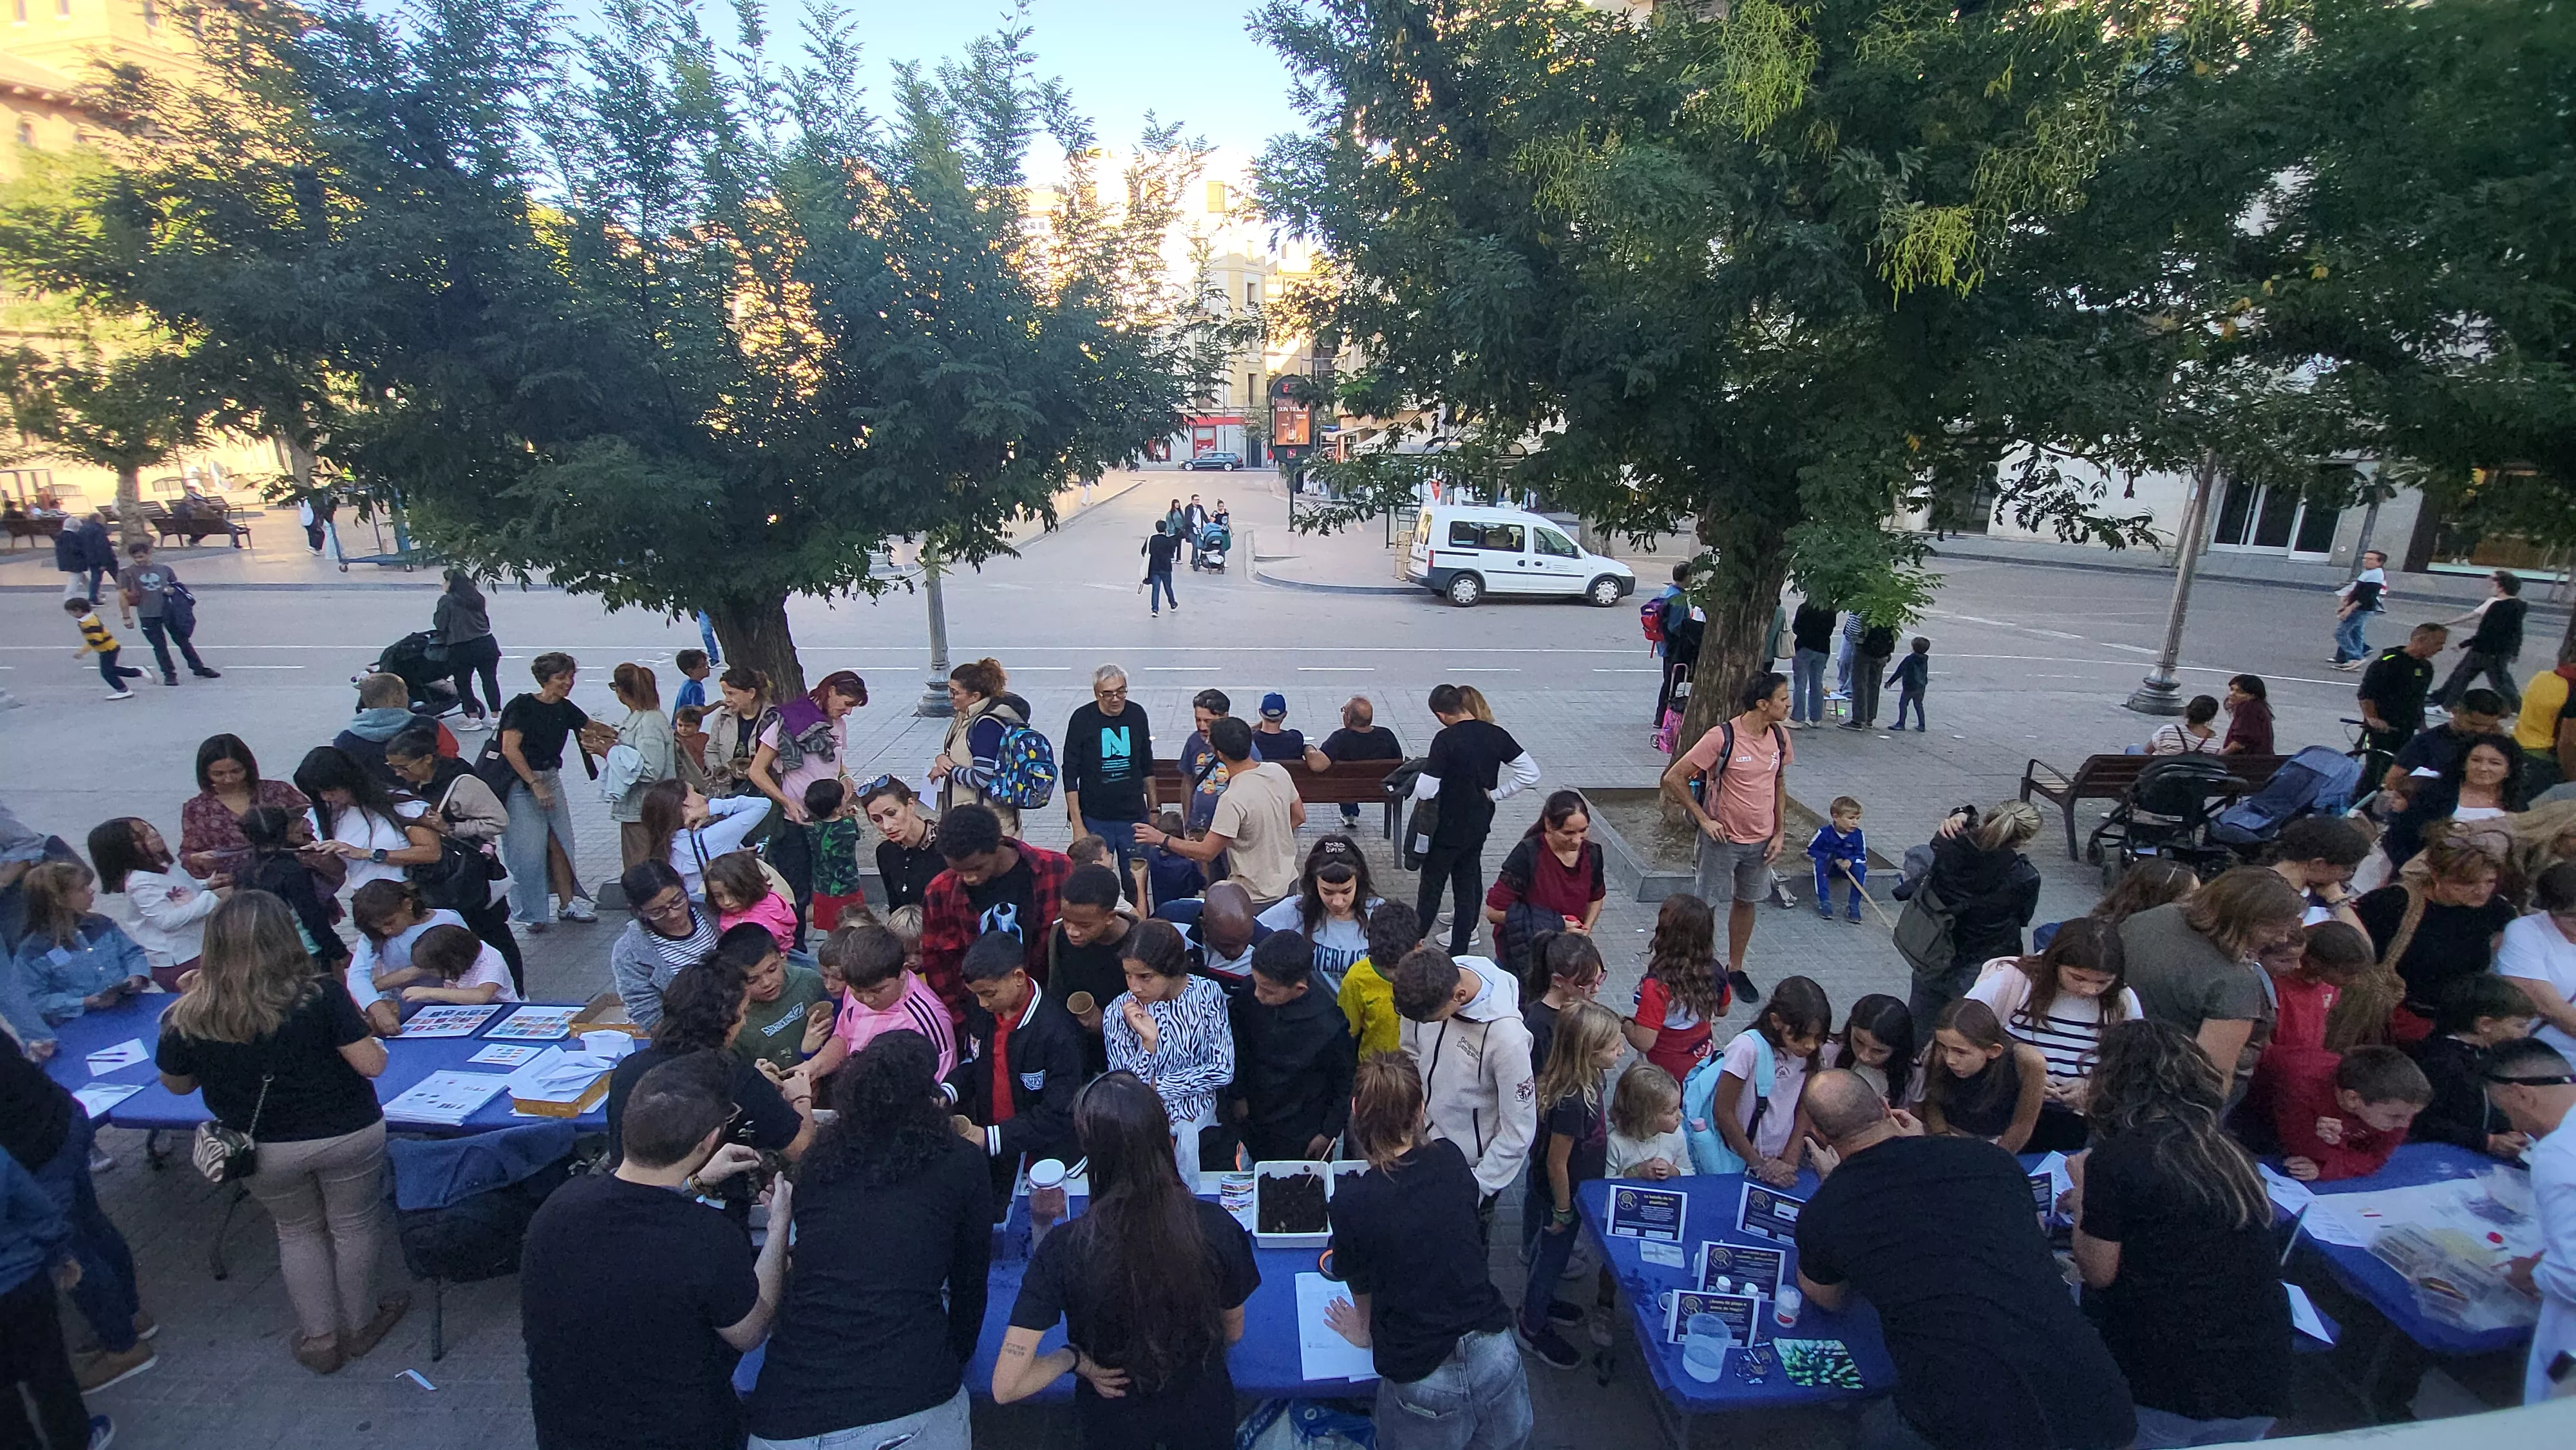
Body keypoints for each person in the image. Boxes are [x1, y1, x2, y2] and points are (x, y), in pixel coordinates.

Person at [1794, 1070, 2136, 1450]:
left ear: (1822, 1137)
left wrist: (1836, 1188)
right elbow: (2029, 1229)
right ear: (1886, 1107)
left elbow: (1826, 1297)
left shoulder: (1830, 1208)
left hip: (1964, 1421)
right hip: (2095, 1404)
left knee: (1873, 1429)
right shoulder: (1992, 1161)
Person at [154, 892, 406, 1375]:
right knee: (353, 1223)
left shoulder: (193, 1011)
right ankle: (361, 1322)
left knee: (296, 1231)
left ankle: (320, 1338)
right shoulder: (321, 996)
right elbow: (371, 1065)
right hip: (344, 1131)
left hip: (260, 1144)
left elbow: (177, 1086)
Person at [521, 1052, 791, 1450]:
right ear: (710, 1142)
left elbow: (637, 1232)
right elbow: (750, 1331)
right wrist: (779, 1227)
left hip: (568, 1432)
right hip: (681, 1433)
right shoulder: (705, 1235)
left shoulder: (557, 1209)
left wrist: (693, 1183)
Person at [742, 1033, 989, 1450]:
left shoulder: (819, 1165)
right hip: (907, 1405)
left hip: (784, 1417)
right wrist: (953, 1358)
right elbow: (970, 1284)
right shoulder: (960, 1163)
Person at [994, 1073, 1260, 1447]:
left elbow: (1007, 1385)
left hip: (1114, 1420)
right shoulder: (1215, 1227)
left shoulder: (1062, 1249)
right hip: (1200, 1412)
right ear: (1163, 1139)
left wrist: (1074, 1359)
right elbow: (1233, 1332)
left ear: (1092, 1154)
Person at [2072, 1020, 2293, 1447]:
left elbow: (2097, 1271)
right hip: (2260, 1376)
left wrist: (2083, 1192)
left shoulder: (2116, 1160)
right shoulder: (2227, 1152)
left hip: (2168, 1383)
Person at [1322, 1052, 1530, 1450]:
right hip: (1496, 1354)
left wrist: (1364, 1331)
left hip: (1422, 1374)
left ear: (1355, 1110)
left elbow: (1358, 1278)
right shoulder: (1451, 1159)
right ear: (1420, 1110)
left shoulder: (1352, 1201)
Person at [1, 1029, 154, 1396]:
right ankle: (131, 1314)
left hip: (37, 1150)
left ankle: (123, 1346)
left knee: (69, 1251)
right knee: (90, 1223)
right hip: (62, 1118)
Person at [605, 957, 815, 1192]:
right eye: (743, 1012)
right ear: (725, 1021)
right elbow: (802, 1150)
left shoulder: (628, 1069)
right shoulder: (736, 1079)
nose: (744, 1022)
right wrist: (801, 1099)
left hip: (626, 1192)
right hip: (708, 1204)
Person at [2123, 867, 2306, 1108]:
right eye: (2275, 928)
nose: (2282, 939)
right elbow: (2213, 1075)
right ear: (2245, 919)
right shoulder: (2235, 983)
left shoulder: (2151, 918)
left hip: (2118, 1064)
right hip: (2167, 1094)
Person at [1659, 671, 1791, 1006]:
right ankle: (1700, 966)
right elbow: (1673, 777)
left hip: (1761, 841)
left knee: (1746, 902)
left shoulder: (1780, 737)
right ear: (1763, 704)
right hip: (1722, 840)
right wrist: (1704, 819)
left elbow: (1778, 783)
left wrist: (1779, 831)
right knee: (1706, 906)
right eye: (1783, 699)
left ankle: (1735, 968)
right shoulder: (1722, 737)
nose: (1789, 704)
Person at [1964, 917, 2137, 1151]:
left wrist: (2095, 1088)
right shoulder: (2014, 981)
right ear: (2055, 963)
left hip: (2071, 1119)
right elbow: (1963, 1028)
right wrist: (2018, 1076)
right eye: (2078, 977)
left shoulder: (2122, 1002)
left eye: (2102, 982)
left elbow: (2132, 1060)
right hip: (2003, 1107)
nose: (2089, 989)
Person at [1393, 945, 1537, 1217]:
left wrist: (1476, 1187)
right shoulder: (1427, 983)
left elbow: (1519, 1130)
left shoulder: (1508, 1039)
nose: (1421, 1024)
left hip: (1469, 1169)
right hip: (1419, 1145)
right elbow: (1411, 1052)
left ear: (1458, 996)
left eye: (1430, 1020)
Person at [1517, 999, 1622, 1370]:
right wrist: (1563, 1209)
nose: (1622, 1051)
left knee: (1550, 1255)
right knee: (1552, 1258)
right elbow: (1557, 1162)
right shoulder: (1573, 1102)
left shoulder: (1588, 1079)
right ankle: (1531, 1324)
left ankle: (1539, 1301)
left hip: (1575, 1191)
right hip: (1564, 1196)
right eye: (1613, 1047)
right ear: (1588, 1052)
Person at [2472, 1037, 2576, 1404]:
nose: (2516, 1125)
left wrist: (2531, 1275)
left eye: (2509, 1112)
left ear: (2521, 1095)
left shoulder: (2559, 1152)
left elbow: (2572, 1275)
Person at [381, 723, 522, 988]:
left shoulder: (462, 783)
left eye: (404, 767)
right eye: (393, 768)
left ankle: (514, 990)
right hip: (438, 877)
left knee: (493, 936)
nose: (399, 773)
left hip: (470, 874)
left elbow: (499, 822)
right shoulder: (412, 785)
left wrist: (450, 828)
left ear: (427, 759)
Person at [942, 930, 1085, 1183]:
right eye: (976, 995)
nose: (982, 1003)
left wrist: (990, 1138)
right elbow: (974, 1062)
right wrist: (947, 1092)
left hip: (1047, 1163)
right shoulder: (982, 1011)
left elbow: (1058, 1112)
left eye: (989, 994)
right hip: (997, 1154)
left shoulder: (1058, 1031)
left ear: (1018, 977)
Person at [1407, 683, 1539, 956]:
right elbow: (1530, 772)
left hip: (1444, 829)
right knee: (1467, 888)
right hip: (1478, 824)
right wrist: (1498, 794)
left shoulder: (1445, 740)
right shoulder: (1497, 735)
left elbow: (1426, 789)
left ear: (1441, 715)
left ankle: (1413, 944)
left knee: (1431, 889)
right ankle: (1459, 952)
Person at [2349, 831, 2514, 1044]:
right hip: (2386, 1023)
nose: (2481, 891)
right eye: (2466, 883)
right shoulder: (2392, 903)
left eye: (2490, 881)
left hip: (2452, 1028)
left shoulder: (2496, 910)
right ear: (2436, 876)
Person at [0, 1143, 113, 1450]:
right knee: (48, 1369)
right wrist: (60, 1253)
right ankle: (75, 1441)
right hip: (21, 1282)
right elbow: (36, 1208)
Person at [918, 803, 1073, 1024]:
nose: (969, 878)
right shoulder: (940, 892)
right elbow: (938, 965)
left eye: (977, 868)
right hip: (981, 1014)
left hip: (1049, 1010)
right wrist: (963, 1021)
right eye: (959, 871)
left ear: (998, 844)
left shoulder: (1057, 870)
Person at [1103, 919, 1234, 1176]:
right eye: (1128, 975)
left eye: (1145, 977)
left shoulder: (1207, 994)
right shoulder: (1117, 1014)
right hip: (1145, 1135)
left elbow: (1222, 1069)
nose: (1134, 986)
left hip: (1203, 1128)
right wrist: (1148, 1045)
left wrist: (1156, 1086)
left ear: (1171, 969)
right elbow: (1125, 1092)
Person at [1909, 802, 2044, 1040]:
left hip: (1934, 952)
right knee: (1966, 1038)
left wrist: (1962, 813)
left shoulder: (1951, 845)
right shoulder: (2024, 876)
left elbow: (1943, 842)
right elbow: (2024, 917)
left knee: (1919, 1030)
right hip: (1983, 965)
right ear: (2025, 840)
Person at [1138, 715, 1305, 907]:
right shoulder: (1278, 772)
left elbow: (1207, 852)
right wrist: (1269, 836)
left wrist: (1162, 839)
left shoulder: (1232, 799)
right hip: (1288, 883)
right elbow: (1299, 816)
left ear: (1219, 754)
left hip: (1255, 896)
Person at [1227, 932, 1357, 1163]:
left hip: (1301, 1129)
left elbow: (1344, 1083)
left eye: (1268, 991)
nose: (1258, 994)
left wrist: (1328, 1133)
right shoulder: (1250, 995)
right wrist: (1238, 1095)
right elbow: (1238, 1046)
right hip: (1253, 1114)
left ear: (1299, 989)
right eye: (1256, 983)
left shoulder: (1329, 1026)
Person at [497, 652, 600, 928]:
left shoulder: (564, 708)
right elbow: (509, 749)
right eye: (560, 678)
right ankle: (531, 913)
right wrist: (534, 783)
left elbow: (591, 727)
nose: (568, 683)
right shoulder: (522, 706)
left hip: (550, 777)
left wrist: (624, 733)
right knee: (526, 851)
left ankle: (568, 904)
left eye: (570, 677)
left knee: (561, 843)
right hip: (522, 783)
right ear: (545, 680)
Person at [752, 669, 869, 909]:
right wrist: (786, 801)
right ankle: (796, 943)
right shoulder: (786, 722)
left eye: (853, 708)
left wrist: (844, 776)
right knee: (798, 889)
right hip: (796, 820)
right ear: (832, 692)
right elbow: (756, 771)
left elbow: (834, 760)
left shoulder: (838, 725)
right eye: (847, 704)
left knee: (833, 886)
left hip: (828, 817)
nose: (847, 712)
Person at [1701, 976, 1830, 1185]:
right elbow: (1723, 1110)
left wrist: (1790, 1158)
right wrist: (1757, 1164)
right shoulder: (1747, 1048)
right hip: (1740, 1158)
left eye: (1817, 1039)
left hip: (1781, 1157)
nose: (1810, 1046)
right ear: (1776, 1021)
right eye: (1801, 1036)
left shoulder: (1810, 1055)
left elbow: (1805, 1106)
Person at [6, 862, 151, 1035]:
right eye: (82, 888)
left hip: (132, 1008)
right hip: (82, 1028)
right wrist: (83, 1002)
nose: (91, 891)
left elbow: (132, 953)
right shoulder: (32, 951)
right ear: (59, 899)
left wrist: (136, 977)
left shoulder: (101, 924)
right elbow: (35, 999)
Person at [2407, 974, 2538, 1159]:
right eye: (2519, 1026)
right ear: (2485, 1024)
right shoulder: (2440, 1061)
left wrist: (2508, 1130)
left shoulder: (2487, 1056)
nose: (2525, 1034)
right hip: (2440, 1159)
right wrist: (2485, 1141)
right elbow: (2421, 1120)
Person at [806, 923, 958, 1084]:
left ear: (903, 971)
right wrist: (812, 1068)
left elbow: (939, 1091)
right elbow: (845, 1035)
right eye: (857, 990)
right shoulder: (855, 985)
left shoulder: (928, 1020)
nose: (867, 999)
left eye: (877, 991)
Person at [296, 745, 444, 904]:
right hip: (367, 901)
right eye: (318, 793)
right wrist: (318, 859)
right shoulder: (324, 818)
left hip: (412, 894)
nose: (326, 797)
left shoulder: (398, 805)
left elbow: (432, 852)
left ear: (348, 779)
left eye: (330, 790)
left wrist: (367, 854)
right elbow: (341, 870)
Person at [84, 816, 220, 990]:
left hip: (197, 945)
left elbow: (179, 890)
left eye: (149, 828)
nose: (153, 834)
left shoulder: (163, 865)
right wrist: (213, 897)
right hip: (179, 959)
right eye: (140, 836)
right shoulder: (140, 883)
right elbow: (166, 920)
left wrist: (206, 884)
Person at [2271, 1045, 2430, 1182]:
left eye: (2412, 1115)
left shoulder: (2398, 1108)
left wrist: (2325, 1167)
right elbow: (2304, 1149)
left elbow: (2377, 1158)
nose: (2404, 1124)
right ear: (2352, 1099)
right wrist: (2329, 1155)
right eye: (2395, 1117)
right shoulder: (2302, 1089)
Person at [1484, 790, 1607, 962]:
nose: (1577, 841)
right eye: (1568, 833)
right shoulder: (1527, 854)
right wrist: (1556, 923)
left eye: (1583, 831)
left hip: (1566, 954)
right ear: (1549, 825)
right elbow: (1494, 912)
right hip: (1526, 954)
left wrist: (1586, 931)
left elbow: (1596, 897)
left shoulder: (1592, 854)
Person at [1062, 664, 1154, 894]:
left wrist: (1154, 810)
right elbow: (1070, 773)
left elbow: (1147, 765)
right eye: (1108, 693)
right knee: (1095, 884)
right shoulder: (1082, 719)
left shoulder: (1137, 714)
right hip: (1096, 819)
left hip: (1133, 818)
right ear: (1097, 694)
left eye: (1121, 691)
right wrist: (1078, 825)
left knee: (1136, 882)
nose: (1116, 699)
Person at [2382, 730, 2523, 870]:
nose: (2483, 768)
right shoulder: (2433, 794)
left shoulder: (2517, 806)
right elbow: (2399, 838)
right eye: (2476, 760)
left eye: (2495, 763)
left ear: (2509, 771)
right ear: (2463, 763)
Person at [178, 733, 312, 880]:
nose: (229, 779)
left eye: (236, 771)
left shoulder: (278, 792)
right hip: (236, 887)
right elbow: (188, 854)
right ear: (206, 774)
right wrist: (196, 859)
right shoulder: (197, 809)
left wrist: (298, 837)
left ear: (248, 767)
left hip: (290, 876)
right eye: (219, 774)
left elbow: (315, 824)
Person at [1624, 892, 1725, 1083]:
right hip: (1703, 1062)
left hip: (1664, 1074)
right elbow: (1723, 1009)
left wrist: (1626, 1025)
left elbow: (1644, 1041)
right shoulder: (1715, 970)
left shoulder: (1657, 986)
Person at [236, 806, 350, 975]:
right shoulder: (292, 870)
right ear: (285, 829)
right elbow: (311, 916)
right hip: (305, 950)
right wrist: (338, 950)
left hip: (268, 952)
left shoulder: (246, 871)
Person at [1920, 999, 2047, 1151]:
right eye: (1943, 1047)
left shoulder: (2028, 1062)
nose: (1950, 1060)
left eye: (1961, 1052)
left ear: (1994, 1051)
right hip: (1946, 1135)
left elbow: (2023, 1123)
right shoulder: (1935, 1056)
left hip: (2000, 1142)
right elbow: (1931, 1101)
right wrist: (1943, 1137)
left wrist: (1996, 1158)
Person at [607, 862, 718, 1030]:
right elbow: (649, 1016)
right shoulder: (629, 953)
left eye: (677, 901)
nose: (673, 914)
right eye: (657, 912)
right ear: (639, 911)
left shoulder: (713, 912)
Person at [1262, 835, 1384, 984]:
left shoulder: (1379, 913)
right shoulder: (1294, 910)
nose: (1338, 902)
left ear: (1358, 883)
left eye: (1346, 891)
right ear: (1314, 885)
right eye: (1328, 892)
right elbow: (1248, 933)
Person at [715, 924, 828, 1079]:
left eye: (772, 969)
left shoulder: (811, 983)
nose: (767, 983)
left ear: (783, 957)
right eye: (753, 980)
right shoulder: (732, 1018)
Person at [637, 778, 772, 905]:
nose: (703, 797)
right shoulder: (711, 837)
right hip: (732, 904)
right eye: (695, 792)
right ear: (684, 805)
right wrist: (711, 808)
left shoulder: (667, 844)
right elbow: (763, 805)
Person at [929, 659, 1026, 835]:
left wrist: (948, 770)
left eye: (955, 692)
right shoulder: (967, 715)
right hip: (975, 821)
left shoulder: (986, 726)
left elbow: (982, 777)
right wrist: (943, 760)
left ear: (975, 696)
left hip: (988, 828)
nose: (950, 697)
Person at [116, 539, 220, 686]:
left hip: (169, 611)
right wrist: (126, 617)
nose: (139, 561)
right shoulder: (126, 573)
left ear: (149, 554)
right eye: (136, 558)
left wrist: (173, 592)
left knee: (183, 641)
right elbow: (123, 595)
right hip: (147, 614)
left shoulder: (164, 569)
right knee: (159, 646)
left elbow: (176, 587)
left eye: (141, 556)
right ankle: (169, 674)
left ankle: (198, 667)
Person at [605, 663, 677, 869]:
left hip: (645, 810)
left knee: (642, 867)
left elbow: (651, 769)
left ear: (621, 691)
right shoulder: (641, 718)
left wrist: (608, 752)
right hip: (641, 809)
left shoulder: (649, 722)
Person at [2503, 860, 2576, 1056]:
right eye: (2573, 916)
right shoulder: (2526, 932)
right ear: (2550, 910)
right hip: (2547, 1060)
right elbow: (2546, 1006)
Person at [2355, 622, 2447, 768]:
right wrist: (2373, 718)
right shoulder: (2388, 662)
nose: (2441, 649)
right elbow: (2366, 694)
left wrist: (2422, 727)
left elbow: (2418, 700)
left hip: (2407, 729)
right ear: (2420, 639)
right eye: (2438, 643)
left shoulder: (2426, 668)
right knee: (2375, 771)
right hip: (2383, 729)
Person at [1517, 930, 1603, 1082]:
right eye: (1586, 983)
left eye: (1600, 979)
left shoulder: (1578, 1001)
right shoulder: (1538, 1026)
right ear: (1557, 980)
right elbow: (1539, 1077)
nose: (1596, 989)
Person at [2439, 570, 2528, 710]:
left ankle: (2520, 708)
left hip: (2488, 650)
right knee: (2464, 677)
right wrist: (2515, 651)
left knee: (2498, 682)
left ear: (2501, 587)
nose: (2491, 585)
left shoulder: (2498, 606)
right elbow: (2517, 631)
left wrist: (2464, 644)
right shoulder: (2518, 606)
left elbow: (2487, 631)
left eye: (2494, 583)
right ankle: (2447, 705)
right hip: (2496, 651)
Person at [1340, 901, 1419, 1060]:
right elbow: (1349, 1032)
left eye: (1398, 967)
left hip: (1417, 1069)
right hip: (1375, 1070)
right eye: (1384, 969)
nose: (1393, 976)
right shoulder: (1356, 978)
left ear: (1419, 947)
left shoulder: (1431, 976)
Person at [1318, 695, 1404, 829]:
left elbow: (1320, 763)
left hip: (1345, 789)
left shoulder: (1340, 738)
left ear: (1349, 718)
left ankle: (1349, 812)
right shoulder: (1386, 735)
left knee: (1345, 780)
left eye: (1344, 711)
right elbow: (1398, 761)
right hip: (1380, 790)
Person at [2269, 815, 2371, 928]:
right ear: (2318, 864)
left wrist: (2337, 900)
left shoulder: (2324, 892)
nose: (2349, 874)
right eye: (2346, 868)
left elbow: (2361, 945)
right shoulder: (2263, 893)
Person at [858, 777, 942, 910]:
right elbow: (895, 906)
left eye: (891, 814)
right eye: (877, 819)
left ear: (910, 805)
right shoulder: (886, 852)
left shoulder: (946, 846)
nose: (887, 826)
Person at [433, 569, 501, 728]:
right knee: (490, 680)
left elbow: (440, 624)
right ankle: (496, 718)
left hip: (462, 647)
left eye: (445, 581)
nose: (442, 584)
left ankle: (473, 718)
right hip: (487, 643)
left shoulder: (447, 601)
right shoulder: (477, 598)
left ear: (451, 583)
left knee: (463, 683)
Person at [799, 779, 869, 932]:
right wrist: (849, 816)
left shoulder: (811, 829)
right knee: (853, 926)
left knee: (832, 929)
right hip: (848, 886)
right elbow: (855, 835)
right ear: (838, 807)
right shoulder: (849, 825)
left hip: (824, 888)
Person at [703, 851, 797, 954]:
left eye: (734, 893)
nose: (727, 902)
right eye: (718, 896)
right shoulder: (760, 900)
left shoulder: (762, 924)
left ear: (749, 886)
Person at [1832, 992, 1916, 1107]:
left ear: (1898, 1049)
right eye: (1859, 1041)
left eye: (1878, 1051)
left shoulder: (1913, 1074)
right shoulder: (1830, 1053)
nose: (1863, 1056)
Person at [1607, 1062, 1688, 1181]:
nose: (1680, 1116)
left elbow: (1690, 1172)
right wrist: (1636, 1172)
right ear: (1646, 1117)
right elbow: (1604, 1183)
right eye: (1671, 1112)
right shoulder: (1616, 1142)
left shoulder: (1676, 1134)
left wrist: (1671, 1171)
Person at [2511, 652, 2576, 794]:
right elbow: (2568, 743)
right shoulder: (2573, 689)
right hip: (2547, 763)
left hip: (2518, 749)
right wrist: (2572, 781)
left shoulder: (2543, 677)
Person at [62, 595, 143, 699]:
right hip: (110, 647)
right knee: (111, 669)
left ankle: (123, 690)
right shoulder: (91, 618)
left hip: (106, 649)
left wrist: (82, 652)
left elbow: (95, 640)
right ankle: (137, 672)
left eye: (71, 612)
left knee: (107, 673)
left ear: (78, 610)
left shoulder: (88, 624)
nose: (71, 615)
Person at [1806, 795, 1868, 922]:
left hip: (1848, 868)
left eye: (1858, 819)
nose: (1855, 822)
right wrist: (1832, 858)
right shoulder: (1824, 833)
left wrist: (1850, 860)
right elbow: (1811, 850)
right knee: (1820, 865)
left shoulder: (1858, 835)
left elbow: (1861, 855)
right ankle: (1824, 901)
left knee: (1860, 869)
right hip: (1829, 866)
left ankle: (1854, 905)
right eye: (1851, 818)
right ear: (1836, 817)